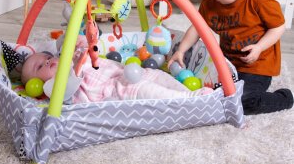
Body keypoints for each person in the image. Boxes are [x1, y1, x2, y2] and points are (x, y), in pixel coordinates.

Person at [168, 0, 293, 115]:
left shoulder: (260, 0)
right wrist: (180, 50)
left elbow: (278, 27)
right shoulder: (211, 1)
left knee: (243, 102)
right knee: (213, 95)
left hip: (256, 67)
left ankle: (284, 98)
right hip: (227, 63)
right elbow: (197, 27)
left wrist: (259, 47)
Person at [21, 36, 212, 104]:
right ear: (36, 84)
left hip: (130, 71)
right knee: (150, 92)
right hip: (118, 90)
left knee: (161, 77)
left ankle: (191, 93)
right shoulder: (54, 89)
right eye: (40, 67)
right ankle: (192, 101)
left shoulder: (68, 58)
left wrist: (82, 44)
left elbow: (91, 52)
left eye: (47, 58)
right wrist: (77, 64)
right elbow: (70, 85)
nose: (47, 62)